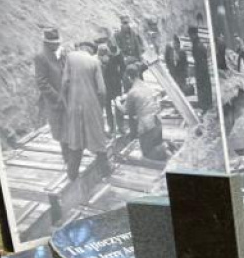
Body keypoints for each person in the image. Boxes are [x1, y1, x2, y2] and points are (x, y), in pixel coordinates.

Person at [61, 40, 107, 181]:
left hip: (74, 106)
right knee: (98, 140)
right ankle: (105, 172)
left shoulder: (70, 57)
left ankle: (72, 175)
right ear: (91, 50)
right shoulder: (95, 62)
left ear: (80, 47)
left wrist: (67, 103)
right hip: (91, 106)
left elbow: (65, 83)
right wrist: (100, 107)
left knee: (76, 142)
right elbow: (102, 90)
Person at [118, 62, 167, 162]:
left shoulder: (132, 92)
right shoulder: (146, 85)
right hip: (157, 122)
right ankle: (163, 149)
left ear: (128, 77)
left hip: (146, 126)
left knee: (147, 154)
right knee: (156, 146)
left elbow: (125, 111)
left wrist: (117, 102)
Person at [33, 28, 66, 154]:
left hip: (64, 97)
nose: (58, 44)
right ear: (47, 43)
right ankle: (66, 157)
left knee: (67, 128)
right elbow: (42, 82)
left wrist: (62, 58)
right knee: (59, 130)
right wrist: (57, 97)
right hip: (54, 101)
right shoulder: (41, 57)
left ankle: (68, 154)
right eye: (55, 43)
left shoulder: (58, 53)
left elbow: (64, 71)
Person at [115, 15, 144, 89]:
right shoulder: (117, 35)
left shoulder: (133, 33)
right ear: (121, 24)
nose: (126, 25)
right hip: (125, 62)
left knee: (139, 79)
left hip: (135, 60)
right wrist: (124, 58)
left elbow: (137, 46)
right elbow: (118, 49)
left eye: (127, 23)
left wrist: (140, 58)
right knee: (127, 81)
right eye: (124, 23)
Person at [189, 26, 212, 112]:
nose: (190, 38)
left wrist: (199, 72)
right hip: (202, 69)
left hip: (201, 70)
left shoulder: (197, 45)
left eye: (190, 35)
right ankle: (206, 105)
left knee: (203, 89)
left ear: (194, 34)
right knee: (204, 88)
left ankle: (205, 107)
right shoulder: (199, 43)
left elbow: (200, 59)